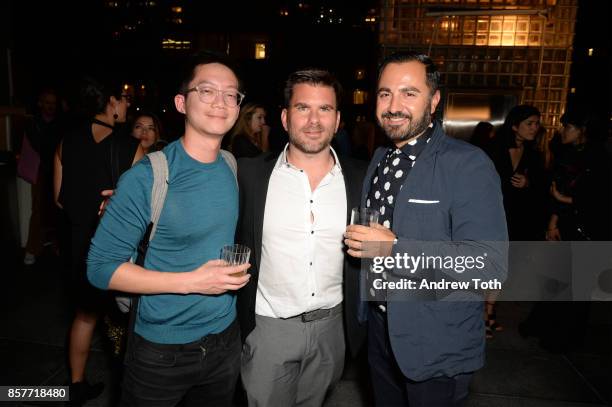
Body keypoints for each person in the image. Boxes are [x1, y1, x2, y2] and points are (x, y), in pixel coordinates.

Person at [344, 51, 507, 407]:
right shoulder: (379, 158)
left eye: (409, 93)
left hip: (437, 344)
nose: (393, 105)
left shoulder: (468, 164)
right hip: (379, 331)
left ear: (433, 100)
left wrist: (394, 249)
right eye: (385, 93)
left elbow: (489, 265)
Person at [87, 53, 251, 407]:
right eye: (206, 91)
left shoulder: (230, 165)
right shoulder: (147, 177)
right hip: (161, 350)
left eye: (230, 95)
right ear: (181, 102)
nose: (220, 102)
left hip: (225, 341)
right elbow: (100, 270)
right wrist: (193, 281)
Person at [236, 69, 367, 406]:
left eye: (324, 109)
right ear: (284, 117)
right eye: (302, 108)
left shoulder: (362, 178)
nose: (313, 120)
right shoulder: (249, 175)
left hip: (333, 330)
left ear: (337, 120)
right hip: (268, 329)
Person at [54, 76, 144, 406]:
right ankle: (131, 388)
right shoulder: (131, 147)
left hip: (79, 245)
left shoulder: (66, 142)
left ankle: (75, 385)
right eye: (122, 98)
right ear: (109, 101)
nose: (126, 104)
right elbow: (142, 208)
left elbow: (60, 199)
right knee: (127, 323)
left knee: (84, 316)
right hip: (118, 251)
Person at [23, 88, 62, 265]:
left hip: (59, 171)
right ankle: (32, 249)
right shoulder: (33, 123)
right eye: (47, 102)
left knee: (59, 209)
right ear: (40, 103)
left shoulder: (62, 123)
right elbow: (42, 146)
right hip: (41, 172)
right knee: (38, 210)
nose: (50, 106)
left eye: (53, 103)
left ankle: (57, 246)